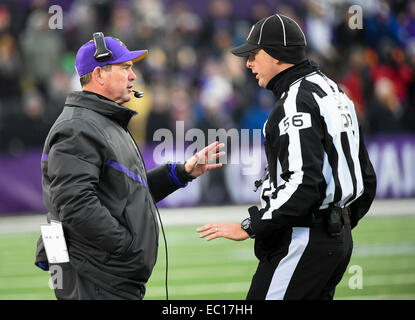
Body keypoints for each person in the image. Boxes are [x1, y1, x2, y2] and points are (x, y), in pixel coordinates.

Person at [197, 14, 377, 300]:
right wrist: (339, 224)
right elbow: (365, 175)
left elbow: (304, 183)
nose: (249, 63)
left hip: (304, 239)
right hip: (335, 239)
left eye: (254, 54)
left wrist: (251, 226)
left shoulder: (296, 101)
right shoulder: (335, 92)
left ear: (278, 55)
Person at [34, 34, 224, 300]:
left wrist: (182, 173)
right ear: (99, 74)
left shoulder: (102, 121)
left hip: (107, 277)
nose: (133, 76)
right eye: (125, 67)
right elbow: (75, 204)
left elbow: (125, 194)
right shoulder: (77, 127)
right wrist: (125, 246)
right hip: (98, 278)